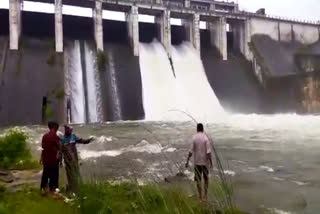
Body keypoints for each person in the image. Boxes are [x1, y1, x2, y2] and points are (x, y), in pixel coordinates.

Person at [60, 125, 94, 192]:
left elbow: (82, 141)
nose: (69, 131)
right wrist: (60, 161)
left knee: (76, 173)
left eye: (70, 129)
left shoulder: (73, 136)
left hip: (75, 159)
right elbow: (60, 151)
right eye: (68, 129)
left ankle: (77, 188)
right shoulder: (62, 139)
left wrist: (89, 140)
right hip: (67, 160)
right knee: (69, 175)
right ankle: (71, 188)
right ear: (65, 130)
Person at [186, 123, 213, 201]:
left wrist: (187, 160)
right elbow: (208, 152)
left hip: (197, 163)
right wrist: (211, 162)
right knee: (206, 179)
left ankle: (200, 197)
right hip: (205, 163)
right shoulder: (206, 138)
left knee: (198, 180)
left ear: (197, 129)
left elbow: (191, 151)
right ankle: (205, 196)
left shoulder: (194, 138)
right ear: (203, 129)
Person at [40, 121, 61, 193]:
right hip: (53, 159)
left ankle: (43, 188)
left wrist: (41, 158)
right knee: (54, 175)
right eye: (57, 128)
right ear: (54, 127)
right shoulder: (56, 137)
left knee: (45, 174)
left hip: (45, 159)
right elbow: (60, 148)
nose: (57, 129)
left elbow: (43, 147)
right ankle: (53, 189)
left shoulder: (44, 136)